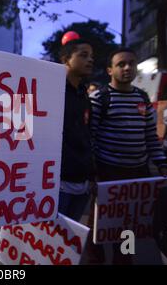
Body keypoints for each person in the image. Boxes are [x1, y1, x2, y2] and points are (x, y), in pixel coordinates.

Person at [88, 48, 167, 264]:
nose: (127, 68)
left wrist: (162, 165)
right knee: (99, 223)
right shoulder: (100, 98)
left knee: (129, 223)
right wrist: (93, 172)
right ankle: (93, 260)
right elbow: (91, 139)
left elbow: (150, 136)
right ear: (110, 70)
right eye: (121, 64)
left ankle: (124, 260)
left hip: (137, 173)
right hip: (108, 172)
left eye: (131, 63)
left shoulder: (143, 98)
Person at [58, 39, 95, 221]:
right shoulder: (52, 89)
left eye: (91, 56)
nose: (90, 60)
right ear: (66, 59)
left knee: (68, 241)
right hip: (58, 183)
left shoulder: (83, 93)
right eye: (83, 55)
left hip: (82, 181)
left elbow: (87, 133)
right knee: (51, 241)